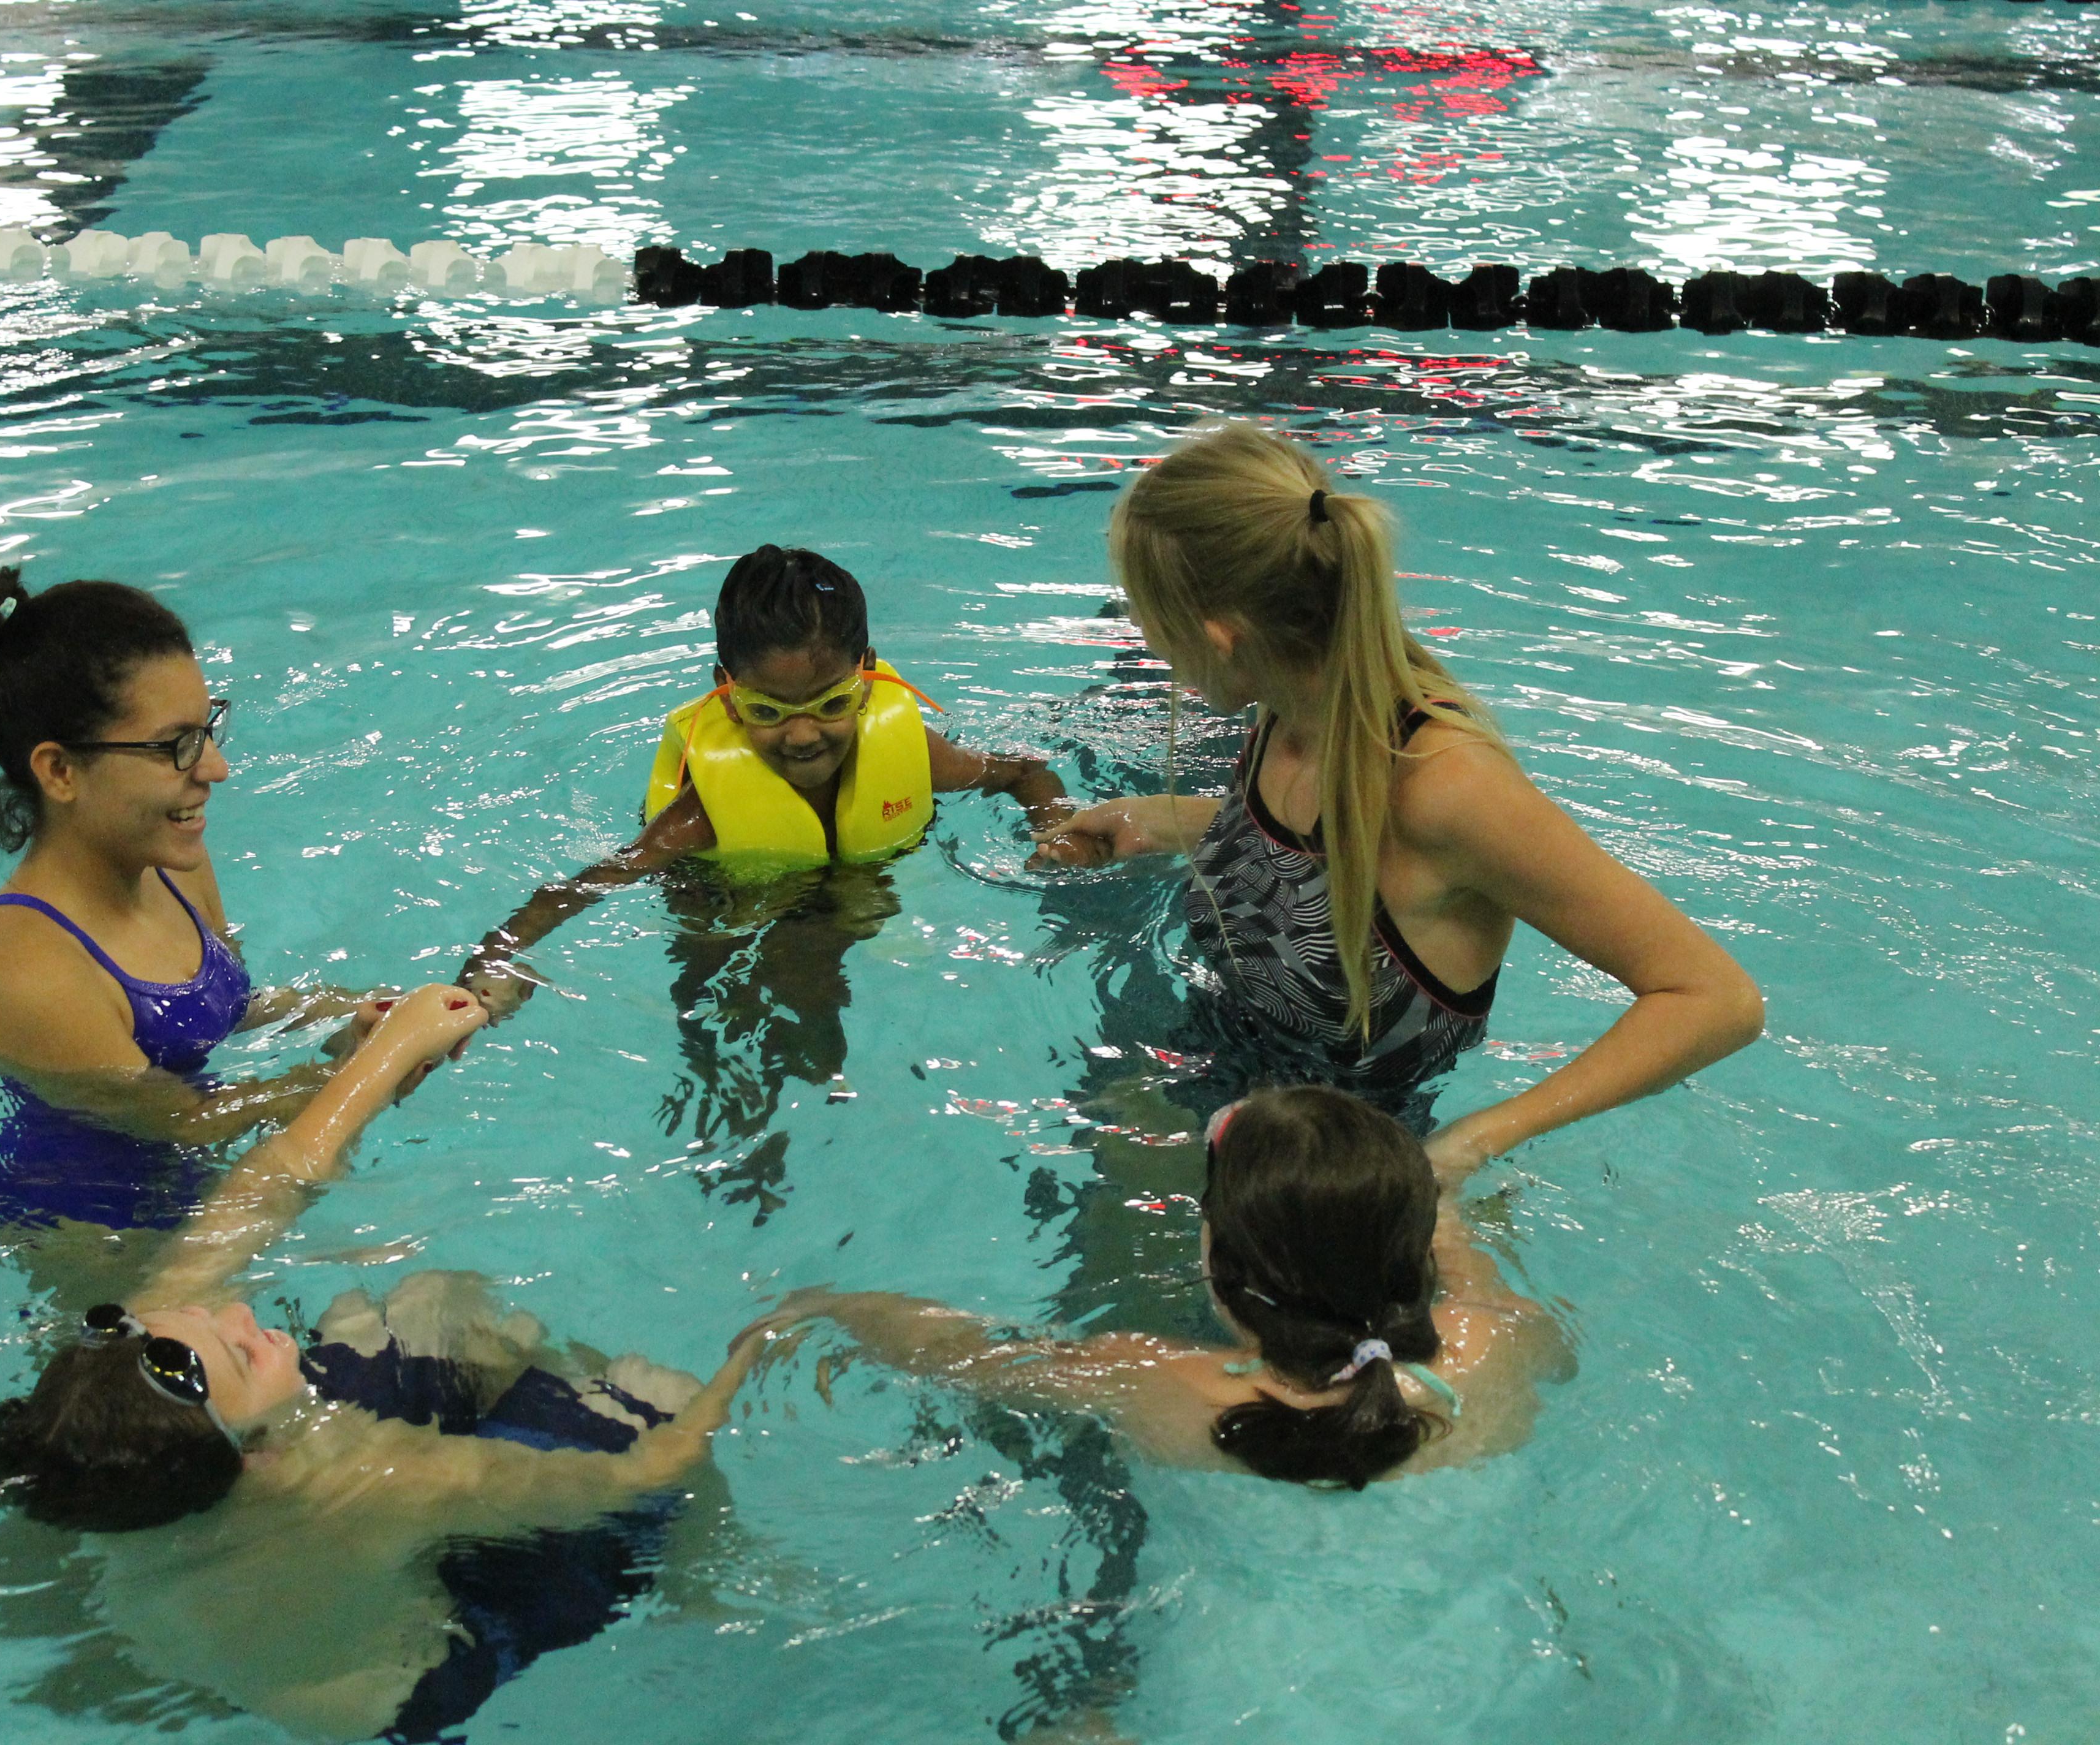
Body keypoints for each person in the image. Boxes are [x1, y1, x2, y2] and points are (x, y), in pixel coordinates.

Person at [0, 982, 773, 1741]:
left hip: (229, 1603)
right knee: (660, 1400)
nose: (246, 1317)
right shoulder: (367, 1493)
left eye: (214, 1319)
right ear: (264, 1456)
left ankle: (530, 1397)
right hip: (418, 1671)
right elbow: (644, 1475)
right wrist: (764, 1347)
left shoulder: (130, 1409)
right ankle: (698, 1587)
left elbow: (274, 1180)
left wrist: (391, 1049)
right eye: (245, 1355)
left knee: (436, 1304)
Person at [1038, 422, 1763, 1168]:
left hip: (1352, 1175)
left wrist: (1475, 1141)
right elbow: (1326, 862)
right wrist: (1172, 822)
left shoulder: (1444, 788)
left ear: (1223, 637)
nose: (1149, 646)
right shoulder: (1289, 705)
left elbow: (1714, 999)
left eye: (1149, 620)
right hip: (1223, 1078)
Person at [765, 1085, 1567, 1489]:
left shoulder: (1150, 1381)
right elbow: (1469, 1278)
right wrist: (1446, 1209)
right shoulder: (1502, 1339)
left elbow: (955, 1355)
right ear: (1413, 1255)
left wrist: (831, 1306)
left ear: (1223, 1270)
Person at [0, 566, 393, 1233]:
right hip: (88, 1242)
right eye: (175, 745)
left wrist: (362, 1013)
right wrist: (381, 1063)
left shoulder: (172, 864)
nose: (214, 767)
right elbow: (186, 1120)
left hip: (198, 1188)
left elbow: (231, 1012)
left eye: (208, 730)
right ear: (60, 771)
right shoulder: (27, 967)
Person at [457, 543, 1077, 1018]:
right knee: (710, 1007)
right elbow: (590, 883)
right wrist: (493, 957)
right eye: (768, 712)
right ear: (727, 690)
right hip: (724, 899)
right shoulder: (703, 814)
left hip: (849, 892)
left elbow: (1026, 773)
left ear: (865, 675)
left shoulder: (915, 749)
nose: (803, 736)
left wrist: (1053, 834)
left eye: (831, 705)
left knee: (815, 989)